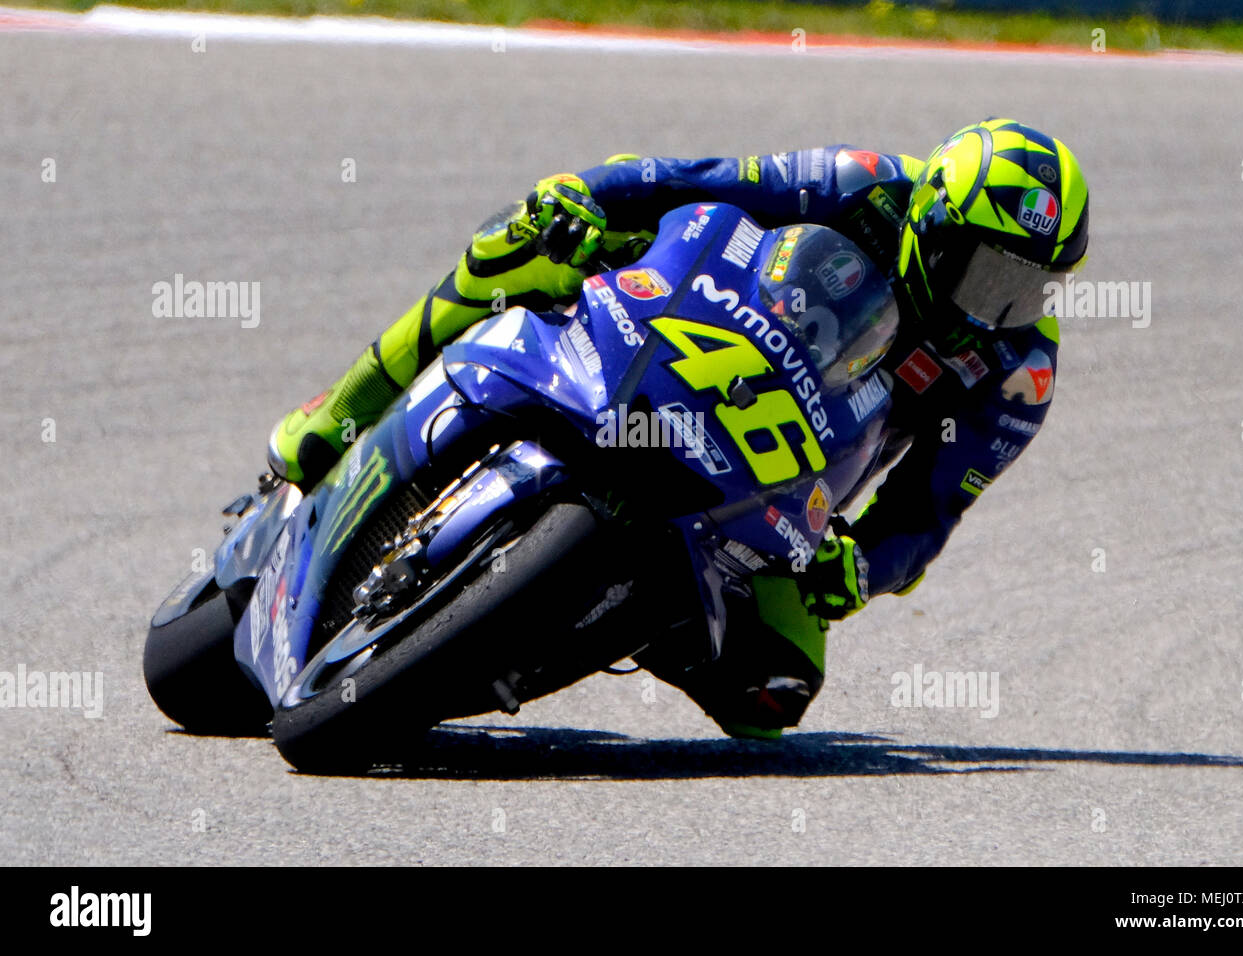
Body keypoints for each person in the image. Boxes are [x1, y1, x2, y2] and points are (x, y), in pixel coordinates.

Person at [267, 118, 1089, 738]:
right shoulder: (862, 185)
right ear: (931, 221)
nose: (995, 303)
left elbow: (925, 516)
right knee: (516, 245)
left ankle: (576, 625)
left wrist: (857, 573)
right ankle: (344, 408)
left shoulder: (1017, 373)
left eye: (1025, 286)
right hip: (693, 355)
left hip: (785, 491)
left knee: (775, 695)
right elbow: (683, 180)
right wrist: (585, 203)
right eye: (983, 270)